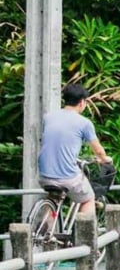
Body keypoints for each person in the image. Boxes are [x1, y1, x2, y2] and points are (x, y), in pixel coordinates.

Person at [38, 82, 112, 218]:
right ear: (82, 102)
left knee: (54, 200)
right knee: (88, 198)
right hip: (67, 177)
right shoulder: (84, 123)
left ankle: (44, 235)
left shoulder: (48, 117)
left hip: (44, 176)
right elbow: (99, 152)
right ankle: (84, 236)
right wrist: (105, 159)